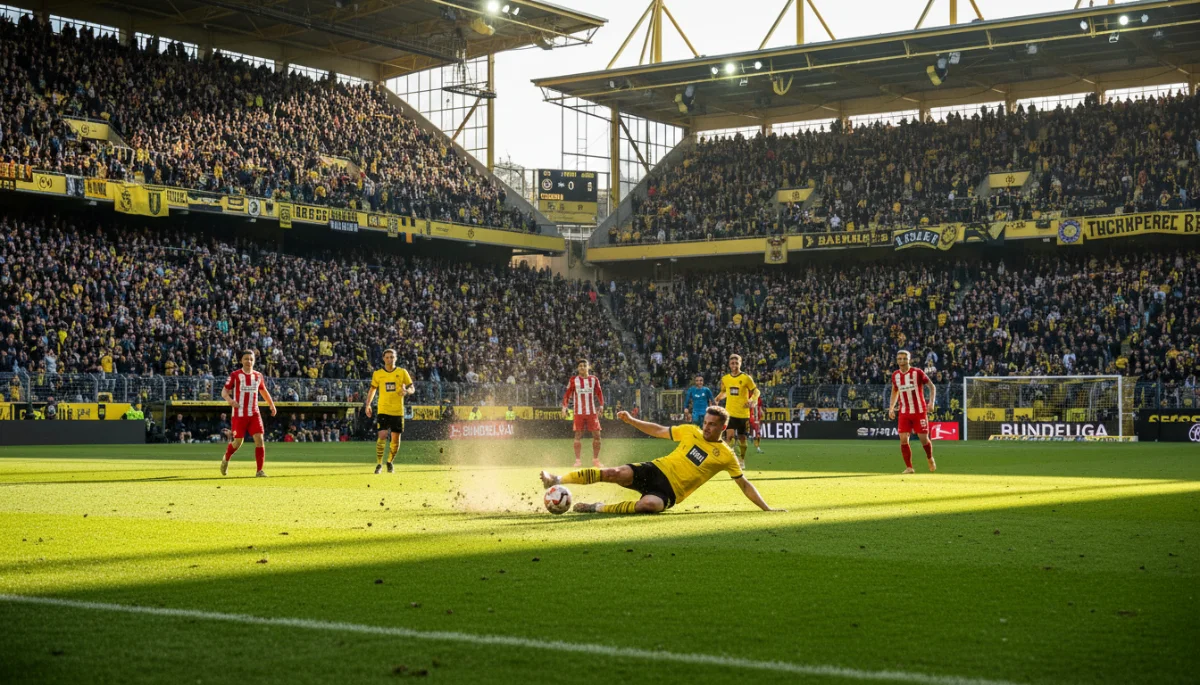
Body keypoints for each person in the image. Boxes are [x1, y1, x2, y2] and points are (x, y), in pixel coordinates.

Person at [539, 406, 782, 514]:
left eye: (712, 424)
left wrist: (767, 508)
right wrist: (632, 421)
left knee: (649, 506)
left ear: (723, 427)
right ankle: (556, 479)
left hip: (671, 492)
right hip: (655, 469)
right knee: (614, 473)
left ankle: (596, 507)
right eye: (705, 422)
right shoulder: (691, 431)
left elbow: (744, 484)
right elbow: (658, 430)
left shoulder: (726, 455)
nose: (706, 427)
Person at [219, 349, 278, 477]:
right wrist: (230, 401)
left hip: (254, 414)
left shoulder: (258, 376)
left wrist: (271, 404)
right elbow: (224, 392)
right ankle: (226, 458)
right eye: (246, 359)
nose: (249, 361)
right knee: (238, 442)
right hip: (239, 414)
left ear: (254, 361)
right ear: (241, 360)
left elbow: (263, 391)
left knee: (260, 440)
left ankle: (259, 471)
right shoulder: (235, 375)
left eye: (251, 359)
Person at [364, 349, 414, 474]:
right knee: (382, 435)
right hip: (383, 409)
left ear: (395, 358)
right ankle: (379, 464)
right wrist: (368, 404)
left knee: (395, 440)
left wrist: (407, 391)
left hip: (397, 411)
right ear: (383, 358)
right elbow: (372, 389)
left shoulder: (402, 372)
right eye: (387, 357)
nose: (389, 359)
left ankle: (390, 462)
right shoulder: (378, 374)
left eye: (392, 357)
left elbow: (412, 388)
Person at [888, 350, 937, 474]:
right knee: (903, 439)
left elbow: (932, 386)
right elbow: (894, 391)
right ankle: (909, 467)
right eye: (899, 358)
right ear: (897, 360)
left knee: (923, 438)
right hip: (904, 412)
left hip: (919, 411)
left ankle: (930, 458)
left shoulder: (917, 372)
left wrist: (931, 403)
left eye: (904, 358)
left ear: (909, 359)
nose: (902, 361)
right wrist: (891, 407)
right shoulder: (895, 375)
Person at [714, 354, 759, 469]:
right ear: (729, 364)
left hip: (743, 414)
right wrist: (718, 398)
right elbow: (725, 392)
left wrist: (752, 400)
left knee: (742, 438)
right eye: (732, 363)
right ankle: (729, 460)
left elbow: (756, 391)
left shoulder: (746, 378)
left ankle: (741, 460)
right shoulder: (725, 379)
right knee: (729, 438)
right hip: (730, 413)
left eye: (736, 363)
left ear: (740, 363)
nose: (734, 365)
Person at [563, 359, 604, 468]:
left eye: (584, 365)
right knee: (578, 435)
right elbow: (567, 394)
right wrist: (564, 407)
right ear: (578, 368)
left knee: (597, 435)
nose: (582, 367)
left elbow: (599, 393)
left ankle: (596, 460)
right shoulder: (573, 380)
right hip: (579, 412)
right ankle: (578, 461)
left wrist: (601, 405)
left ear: (588, 367)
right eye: (580, 366)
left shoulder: (594, 379)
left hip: (592, 412)